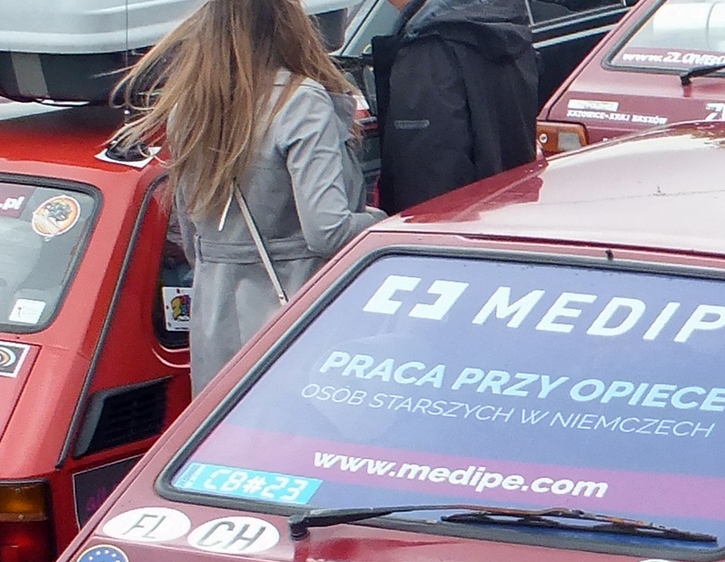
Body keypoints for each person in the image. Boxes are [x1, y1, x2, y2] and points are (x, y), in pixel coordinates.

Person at [116, 0, 383, 393]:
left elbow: (191, 235)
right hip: (297, 312)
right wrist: (382, 221)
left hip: (214, 319)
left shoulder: (188, 104)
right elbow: (328, 230)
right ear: (288, 25)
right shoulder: (298, 99)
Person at [374, 0, 540, 214]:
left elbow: (428, 183)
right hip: (506, 217)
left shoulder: (429, 49)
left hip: (450, 232)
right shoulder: (507, 29)